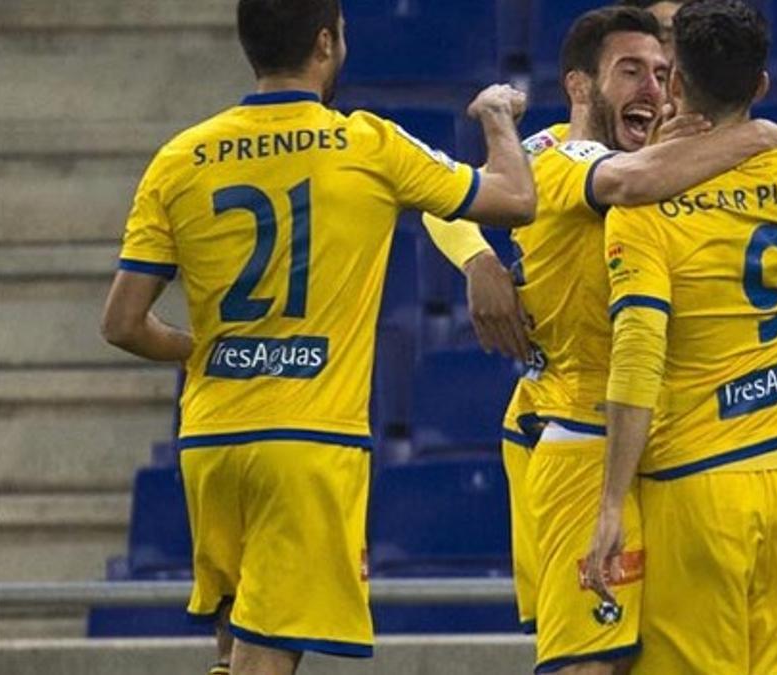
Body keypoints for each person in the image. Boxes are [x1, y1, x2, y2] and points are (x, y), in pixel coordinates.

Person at [98, 0, 536, 673]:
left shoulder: (180, 157)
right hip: (306, 441)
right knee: (270, 658)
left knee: (236, 642)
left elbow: (123, 323)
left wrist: (202, 350)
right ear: (326, 42)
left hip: (211, 441)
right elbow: (515, 197)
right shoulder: (366, 143)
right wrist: (498, 118)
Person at [423, 8, 777, 673]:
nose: (652, 87)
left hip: (653, 436)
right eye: (631, 72)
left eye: (660, 73)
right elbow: (440, 193)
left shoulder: (665, 154)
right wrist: (479, 261)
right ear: (581, 87)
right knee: (590, 658)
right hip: (579, 431)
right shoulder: (555, 157)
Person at [584, 1, 777, 673]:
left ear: (673, 84)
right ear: (760, 87)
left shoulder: (643, 208)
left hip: (695, 484)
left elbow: (639, 355)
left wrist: (610, 501)